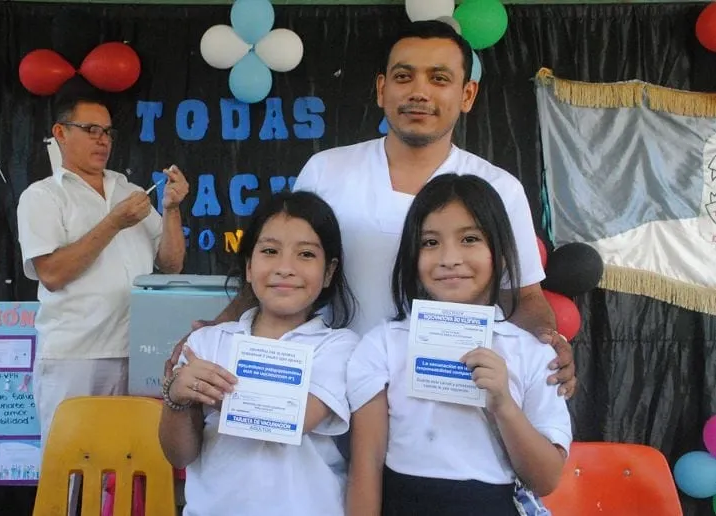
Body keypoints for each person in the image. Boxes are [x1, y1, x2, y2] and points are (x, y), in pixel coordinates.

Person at [167, 20, 576, 398]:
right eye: (403, 76)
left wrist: (548, 343)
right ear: (381, 89)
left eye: (439, 78)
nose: (419, 92)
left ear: (467, 94)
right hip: (325, 388)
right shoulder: (326, 170)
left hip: (442, 394)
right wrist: (215, 331)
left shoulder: (498, 188)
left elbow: (524, 297)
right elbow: (279, 269)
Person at [346, 174, 572, 516]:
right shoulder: (383, 345)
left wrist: (504, 405)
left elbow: (546, 479)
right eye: (430, 242)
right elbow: (367, 462)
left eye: (469, 239)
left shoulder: (532, 353)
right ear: (412, 255)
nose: (449, 258)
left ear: (500, 252)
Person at [158, 190, 359, 516]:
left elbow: (295, 419)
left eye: (306, 254)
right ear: (249, 266)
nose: (285, 268)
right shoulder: (207, 342)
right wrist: (177, 397)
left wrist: (212, 391)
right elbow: (179, 456)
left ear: (329, 272)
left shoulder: (338, 347)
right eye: (269, 251)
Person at [16, 82, 189, 451]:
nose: (102, 140)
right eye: (90, 129)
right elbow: (52, 274)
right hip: (76, 355)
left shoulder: (131, 192)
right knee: (73, 463)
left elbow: (171, 264)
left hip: (139, 352)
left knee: (132, 460)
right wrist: (113, 222)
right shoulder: (43, 196)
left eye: (108, 132)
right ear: (61, 133)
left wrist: (172, 209)